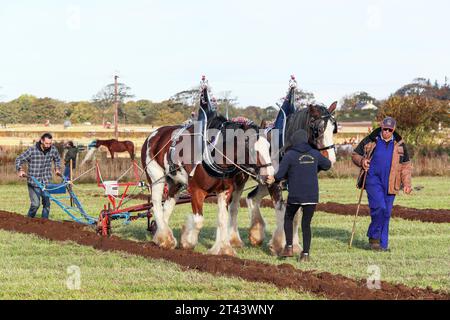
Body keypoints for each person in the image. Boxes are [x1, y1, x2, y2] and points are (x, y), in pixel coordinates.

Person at [267, 129, 332, 262]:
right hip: (311, 196)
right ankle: (306, 255)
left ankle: (289, 247)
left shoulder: (289, 155)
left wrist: (273, 178)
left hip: (295, 196)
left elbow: (279, 175)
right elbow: (327, 165)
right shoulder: (315, 153)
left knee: (288, 218)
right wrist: (314, 167)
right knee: (306, 224)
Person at [352, 117, 412, 251]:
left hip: (392, 182)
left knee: (387, 213)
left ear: (393, 130)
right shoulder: (371, 139)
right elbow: (355, 154)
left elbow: (406, 166)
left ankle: (383, 245)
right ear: (381, 127)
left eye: (389, 130)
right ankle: (374, 238)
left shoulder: (400, 144)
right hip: (373, 179)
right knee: (379, 207)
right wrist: (362, 161)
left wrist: (407, 183)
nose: (386, 132)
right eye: (384, 129)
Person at [16, 133, 62, 219]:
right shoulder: (32, 150)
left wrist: (57, 168)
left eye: (50, 143)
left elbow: (57, 159)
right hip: (33, 182)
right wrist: (20, 170)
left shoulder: (53, 149)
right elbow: (19, 159)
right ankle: (29, 221)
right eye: (46, 143)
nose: (48, 145)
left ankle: (44, 222)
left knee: (47, 204)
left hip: (46, 182)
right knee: (35, 204)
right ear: (41, 141)